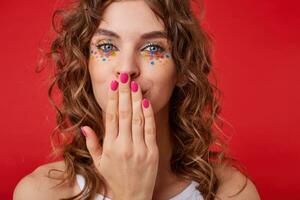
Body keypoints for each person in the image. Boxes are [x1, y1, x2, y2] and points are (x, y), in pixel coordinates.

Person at [13, 0, 261, 199]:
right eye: (107, 46)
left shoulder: (230, 193)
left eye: (153, 48)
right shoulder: (41, 193)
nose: (126, 68)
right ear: (84, 64)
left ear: (183, 70)